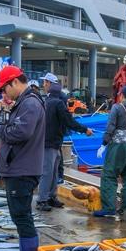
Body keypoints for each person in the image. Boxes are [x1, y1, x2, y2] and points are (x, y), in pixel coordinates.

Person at [0, 66, 45, 251]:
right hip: (19, 166)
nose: (3, 93)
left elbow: (21, 132)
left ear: (14, 82)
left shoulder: (29, 102)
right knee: (19, 217)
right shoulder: (24, 101)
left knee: (22, 217)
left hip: (23, 168)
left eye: (4, 88)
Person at [37, 72, 90, 211]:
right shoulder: (58, 104)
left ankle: (51, 197)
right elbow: (69, 122)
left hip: (50, 142)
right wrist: (85, 130)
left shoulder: (44, 102)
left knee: (53, 171)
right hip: (51, 143)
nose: (44, 85)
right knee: (49, 172)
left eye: (46, 83)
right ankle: (42, 200)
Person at [92, 85, 126, 219]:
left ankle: (109, 208)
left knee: (110, 175)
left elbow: (110, 126)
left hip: (118, 145)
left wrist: (104, 144)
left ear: (122, 95)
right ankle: (125, 207)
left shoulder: (117, 107)